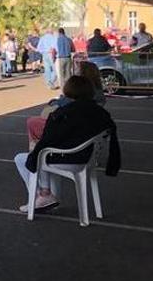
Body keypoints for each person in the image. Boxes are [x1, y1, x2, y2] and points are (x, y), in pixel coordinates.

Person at [14, 75, 121, 212]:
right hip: (88, 158)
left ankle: (42, 196)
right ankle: (47, 197)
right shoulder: (101, 113)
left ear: (68, 91)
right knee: (43, 157)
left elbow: (47, 140)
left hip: (69, 158)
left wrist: (34, 153)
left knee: (24, 158)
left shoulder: (63, 114)